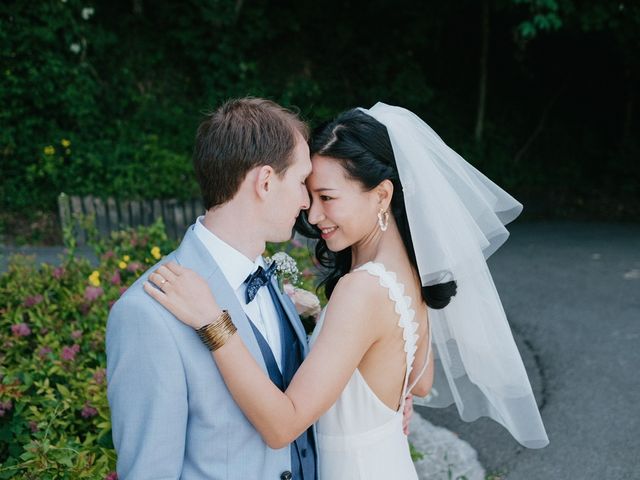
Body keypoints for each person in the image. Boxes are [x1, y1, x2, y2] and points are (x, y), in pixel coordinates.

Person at [145, 103, 549, 480]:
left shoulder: (362, 289)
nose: (313, 213)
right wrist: (325, 324)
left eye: (327, 198)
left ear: (383, 194)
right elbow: (420, 383)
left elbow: (283, 424)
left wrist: (214, 322)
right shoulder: (409, 270)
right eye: (309, 192)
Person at [106, 97, 319, 480]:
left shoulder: (271, 281)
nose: (306, 202)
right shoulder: (146, 313)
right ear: (266, 182)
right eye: (302, 181)